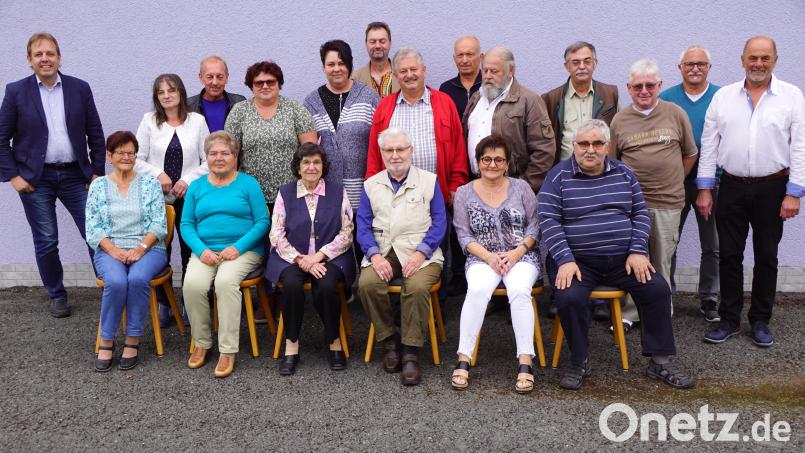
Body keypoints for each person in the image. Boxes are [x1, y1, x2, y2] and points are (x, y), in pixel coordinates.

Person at [538, 119, 694, 390]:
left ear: (607, 147)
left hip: (623, 259)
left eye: (597, 143)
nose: (590, 149)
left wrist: (636, 250)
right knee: (569, 296)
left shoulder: (623, 173)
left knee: (658, 289)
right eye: (584, 143)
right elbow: (548, 221)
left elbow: (640, 213)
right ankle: (580, 361)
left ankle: (660, 361)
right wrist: (564, 259)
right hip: (577, 261)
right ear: (574, 147)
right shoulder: (558, 177)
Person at [696, 36, 805, 347]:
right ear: (742, 59)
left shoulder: (791, 96)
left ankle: (759, 320)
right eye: (753, 58)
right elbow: (709, 146)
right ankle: (729, 319)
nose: (758, 63)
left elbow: (800, 146)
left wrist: (794, 192)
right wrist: (704, 188)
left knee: (767, 256)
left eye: (765, 58)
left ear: (775, 60)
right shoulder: (724, 97)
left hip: (773, 187)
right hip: (730, 186)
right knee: (729, 255)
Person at [0, 32, 105, 318]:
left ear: (59, 57)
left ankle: (110, 286)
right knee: (46, 240)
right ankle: (57, 294)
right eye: (38, 54)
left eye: (50, 53)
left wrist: (97, 172)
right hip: (36, 179)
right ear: (29, 60)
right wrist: (13, 176)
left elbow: (95, 132)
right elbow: (2, 137)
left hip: (76, 176)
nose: (45, 58)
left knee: (95, 234)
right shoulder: (16, 91)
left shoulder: (79, 88)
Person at [609, 59, 698, 332]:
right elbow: (613, 162)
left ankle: (659, 314)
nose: (644, 90)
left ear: (659, 85)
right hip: (631, 206)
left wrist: (673, 180)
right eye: (638, 86)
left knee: (660, 261)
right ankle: (630, 313)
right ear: (629, 88)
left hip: (668, 203)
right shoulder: (620, 120)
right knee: (633, 260)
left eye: (650, 85)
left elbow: (690, 154)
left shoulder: (675, 113)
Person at [450, 135, 540, 393]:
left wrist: (516, 253)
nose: (492, 164)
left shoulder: (521, 188)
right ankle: (463, 358)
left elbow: (535, 225)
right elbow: (463, 234)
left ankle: (525, 362)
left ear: (507, 163)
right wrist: (489, 257)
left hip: (521, 256)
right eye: (486, 159)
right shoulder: (465, 193)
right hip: (481, 258)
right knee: (477, 290)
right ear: (478, 162)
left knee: (519, 291)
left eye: (498, 159)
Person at [357, 128, 447, 386]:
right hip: (384, 251)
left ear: (411, 151)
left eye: (400, 149)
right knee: (367, 284)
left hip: (421, 252)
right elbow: (362, 225)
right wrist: (374, 255)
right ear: (382, 153)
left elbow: (440, 222)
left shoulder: (429, 181)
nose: (395, 155)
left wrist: (422, 253)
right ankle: (389, 342)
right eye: (389, 150)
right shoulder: (371, 184)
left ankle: (410, 353)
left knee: (416, 287)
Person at [182, 131, 270, 378]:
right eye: (213, 153)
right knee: (192, 285)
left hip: (243, 250)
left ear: (235, 156)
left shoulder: (248, 184)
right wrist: (202, 250)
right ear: (206, 157)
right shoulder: (197, 187)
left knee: (224, 282)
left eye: (225, 153)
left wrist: (238, 247)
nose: (219, 158)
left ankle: (228, 350)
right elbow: (187, 224)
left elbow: (263, 221)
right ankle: (202, 343)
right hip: (206, 251)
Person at [542, 41, 620, 321]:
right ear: (567, 66)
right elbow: (547, 138)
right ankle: (559, 291)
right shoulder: (551, 98)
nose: (582, 66)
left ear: (595, 63)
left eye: (587, 61)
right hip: (565, 176)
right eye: (576, 62)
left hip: (599, 172)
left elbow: (616, 134)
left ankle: (597, 297)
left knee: (597, 229)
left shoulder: (610, 93)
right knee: (559, 229)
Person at [266, 143, 356, 374]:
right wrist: (300, 259)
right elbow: (276, 233)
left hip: (331, 256)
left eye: (316, 162)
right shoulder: (285, 192)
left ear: (323, 166)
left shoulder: (338, 191)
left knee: (326, 285)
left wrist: (318, 257)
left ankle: (333, 340)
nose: (311, 167)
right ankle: (292, 344)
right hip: (291, 257)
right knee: (292, 286)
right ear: (298, 167)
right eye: (306, 162)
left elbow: (347, 231)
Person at [86, 131, 167, 372]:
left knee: (138, 278)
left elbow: (159, 224)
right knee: (117, 281)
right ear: (109, 156)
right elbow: (93, 227)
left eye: (131, 153)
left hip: (149, 248)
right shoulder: (98, 186)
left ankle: (133, 339)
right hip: (110, 249)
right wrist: (113, 250)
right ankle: (107, 340)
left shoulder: (150, 183)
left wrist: (140, 249)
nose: (126, 157)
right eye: (120, 152)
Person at [135, 73, 210, 327]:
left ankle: (191, 302)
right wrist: (159, 174)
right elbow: (136, 158)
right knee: (160, 249)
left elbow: (209, 159)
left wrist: (187, 179)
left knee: (189, 250)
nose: (167, 96)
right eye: (161, 92)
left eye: (172, 90)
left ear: (181, 93)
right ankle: (164, 303)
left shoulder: (197, 121)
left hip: (188, 196)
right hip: (158, 198)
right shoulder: (148, 122)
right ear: (157, 97)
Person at [659, 45, 721, 322]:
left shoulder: (722, 97)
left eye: (701, 64)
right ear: (680, 68)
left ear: (709, 67)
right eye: (689, 64)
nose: (695, 68)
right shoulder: (667, 99)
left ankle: (710, 297)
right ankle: (664, 295)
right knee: (668, 240)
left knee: (713, 243)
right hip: (676, 182)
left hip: (715, 180)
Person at [366, 47, 468, 203]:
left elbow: (459, 149)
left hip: (437, 196)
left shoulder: (445, 103)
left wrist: (456, 185)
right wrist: (373, 188)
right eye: (403, 71)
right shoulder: (384, 107)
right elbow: (374, 151)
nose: (409, 75)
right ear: (395, 75)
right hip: (393, 199)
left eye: (414, 69)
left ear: (424, 70)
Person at [463, 47, 555, 192]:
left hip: (512, 188)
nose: (487, 76)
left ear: (511, 71)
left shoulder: (529, 100)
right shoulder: (476, 98)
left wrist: (523, 187)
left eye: (494, 71)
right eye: (485, 70)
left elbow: (544, 151)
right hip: (477, 186)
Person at [225, 61, 317, 206]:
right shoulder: (239, 111)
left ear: (278, 83)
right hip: (250, 195)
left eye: (270, 82)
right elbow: (230, 154)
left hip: (291, 195)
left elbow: (311, 152)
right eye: (259, 83)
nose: (265, 86)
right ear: (251, 86)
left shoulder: (295, 109)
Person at [303, 40, 380, 212]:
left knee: (362, 237)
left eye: (341, 63)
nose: (336, 69)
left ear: (350, 65)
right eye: (331, 64)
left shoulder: (369, 97)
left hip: (364, 193)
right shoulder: (311, 102)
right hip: (325, 195)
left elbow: (381, 141)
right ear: (324, 67)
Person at [187, 56, 246, 132]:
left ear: (226, 78)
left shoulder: (239, 103)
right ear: (201, 78)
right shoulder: (188, 106)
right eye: (209, 77)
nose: (215, 82)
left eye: (220, 77)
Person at [439, 36, 483, 119]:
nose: (464, 60)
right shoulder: (446, 89)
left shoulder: (491, 85)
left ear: (481, 57)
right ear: (454, 58)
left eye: (469, 54)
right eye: (460, 55)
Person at [352, 21, 399, 98]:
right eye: (373, 42)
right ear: (366, 44)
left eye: (382, 41)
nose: (377, 46)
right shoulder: (355, 79)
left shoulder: (403, 75)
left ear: (390, 43)